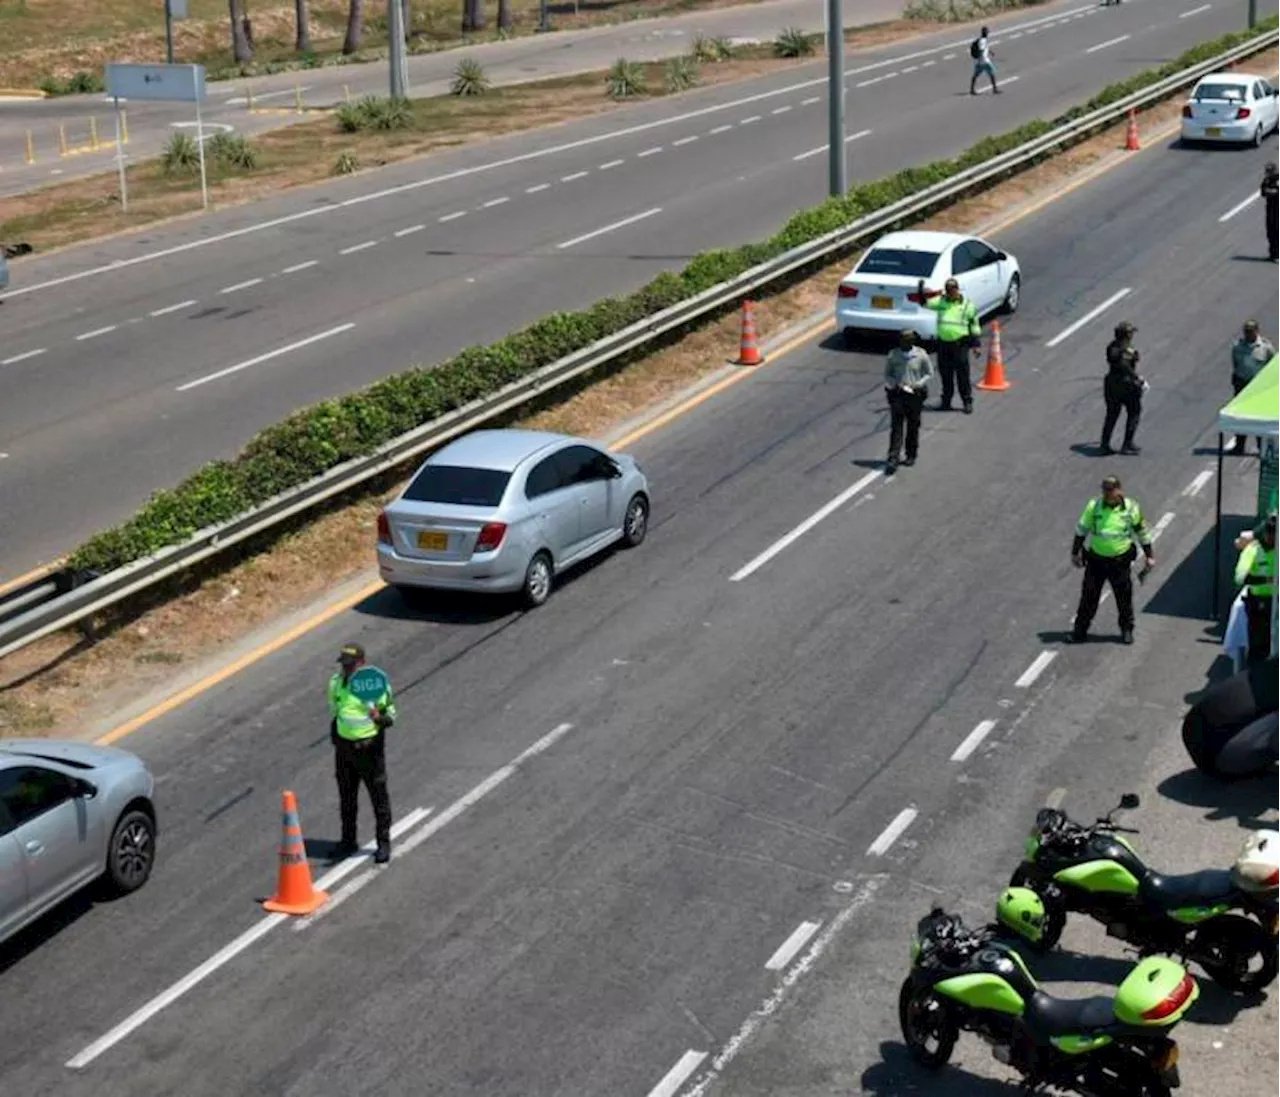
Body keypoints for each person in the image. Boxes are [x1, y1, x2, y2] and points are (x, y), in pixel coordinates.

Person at [328, 643, 397, 864]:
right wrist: (337, 740)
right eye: (344, 665)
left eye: (351, 665)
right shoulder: (335, 683)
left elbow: (391, 717)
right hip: (344, 750)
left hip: (369, 750)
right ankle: (348, 841)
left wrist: (379, 718)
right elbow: (336, 712)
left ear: (362, 663)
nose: (347, 670)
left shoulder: (376, 685)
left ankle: (383, 843)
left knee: (378, 798)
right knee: (346, 798)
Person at [1069, 474, 1155, 646]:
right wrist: (1075, 552)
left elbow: (1141, 532)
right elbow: (1081, 529)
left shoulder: (1131, 508)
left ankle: (1126, 630)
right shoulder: (1094, 507)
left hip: (1120, 562)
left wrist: (1149, 555)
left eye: (1111, 490)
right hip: (1096, 561)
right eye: (1105, 490)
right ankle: (1080, 631)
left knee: (1124, 598)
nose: (1107, 494)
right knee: (1088, 597)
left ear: (1119, 490)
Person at [917, 276, 981, 414]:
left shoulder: (967, 305)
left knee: (962, 376)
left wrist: (976, 344)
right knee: (946, 375)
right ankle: (946, 402)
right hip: (943, 345)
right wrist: (920, 291)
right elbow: (925, 304)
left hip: (960, 344)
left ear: (957, 289)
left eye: (952, 290)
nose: (950, 293)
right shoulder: (941, 301)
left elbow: (974, 324)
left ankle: (967, 401)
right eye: (948, 290)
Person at [884, 328, 934, 472]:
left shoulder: (920, 355)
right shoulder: (893, 355)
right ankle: (893, 457)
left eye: (908, 340)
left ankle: (911, 454)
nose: (905, 343)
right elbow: (888, 374)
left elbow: (929, 373)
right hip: (898, 394)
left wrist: (919, 383)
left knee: (913, 426)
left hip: (915, 395)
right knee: (896, 427)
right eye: (903, 340)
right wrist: (895, 383)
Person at [1235, 516, 1277, 663]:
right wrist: (1266, 580)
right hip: (1259, 603)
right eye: (1270, 535)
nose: (1273, 540)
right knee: (1258, 642)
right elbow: (1240, 578)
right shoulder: (1253, 550)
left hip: (1277, 602)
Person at [1229, 319, 1275, 454]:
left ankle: (1261, 447)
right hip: (1242, 384)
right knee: (1240, 416)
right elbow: (1236, 363)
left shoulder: (1265, 347)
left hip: (1258, 387)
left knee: (1258, 418)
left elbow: (1272, 366)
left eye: (1251, 331)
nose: (1248, 334)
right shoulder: (1237, 346)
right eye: (1246, 332)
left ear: (1256, 331)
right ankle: (1239, 446)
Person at [1100, 321, 1144, 456]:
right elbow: (1125, 364)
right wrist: (1136, 377)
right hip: (1126, 384)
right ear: (1127, 335)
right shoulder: (1128, 349)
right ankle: (1127, 443)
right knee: (1134, 411)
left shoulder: (1111, 347)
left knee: (1112, 414)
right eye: (1131, 333)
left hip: (1111, 383)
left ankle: (1104, 444)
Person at [969, 26, 1000, 95]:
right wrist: (981, 59)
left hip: (979, 61)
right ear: (985, 33)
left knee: (975, 75)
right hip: (984, 61)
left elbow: (985, 48)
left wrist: (990, 52)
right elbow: (981, 50)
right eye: (987, 32)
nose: (988, 33)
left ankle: (971, 89)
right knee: (992, 73)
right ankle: (995, 89)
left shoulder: (981, 39)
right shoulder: (982, 41)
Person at [1263, 163, 1280, 262]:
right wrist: (1271, 191)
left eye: (1269, 171)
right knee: (1270, 232)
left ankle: (1278, 254)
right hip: (1270, 210)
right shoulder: (1267, 180)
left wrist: (1271, 191)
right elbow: (1263, 191)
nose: (1267, 173)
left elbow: (1276, 192)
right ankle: (1273, 254)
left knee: (1278, 231)